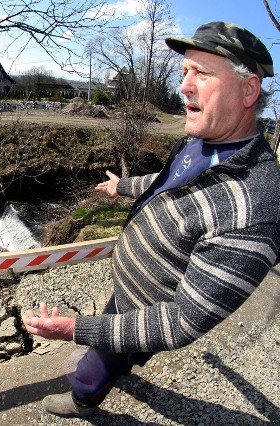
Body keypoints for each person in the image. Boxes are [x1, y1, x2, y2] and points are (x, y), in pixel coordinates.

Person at [22, 21, 280, 418]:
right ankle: (117, 360)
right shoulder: (204, 140)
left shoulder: (253, 208)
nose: (184, 87)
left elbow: (180, 322)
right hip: (129, 288)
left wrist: (77, 329)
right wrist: (123, 186)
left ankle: (84, 400)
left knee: (101, 358)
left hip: (148, 311)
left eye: (203, 74)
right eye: (184, 73)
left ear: (249, 91)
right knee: (114, 344)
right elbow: (167, 180)